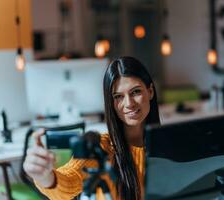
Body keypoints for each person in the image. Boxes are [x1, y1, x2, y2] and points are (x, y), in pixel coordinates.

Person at [23, 56, 160, 200]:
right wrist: (46, 177)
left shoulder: (168, 145)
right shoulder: (101, 147)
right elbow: (70, 179)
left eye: (136, 92)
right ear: (110, 102)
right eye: (118, 96)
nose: (129, 103)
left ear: (150, 91)